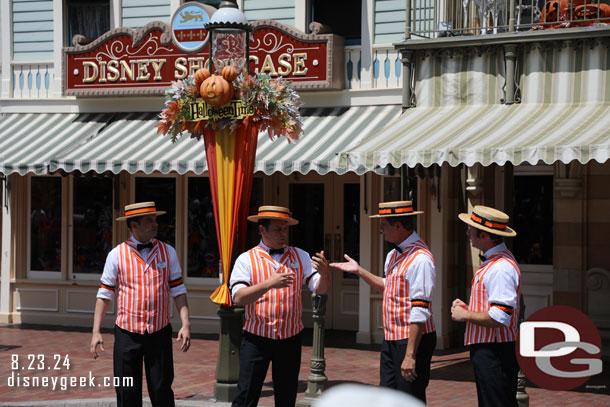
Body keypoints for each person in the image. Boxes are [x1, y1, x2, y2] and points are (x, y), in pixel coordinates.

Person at [331, 200, 436, 403]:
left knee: (409, 399)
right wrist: (359, 270)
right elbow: (389, 285)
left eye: (384, 224)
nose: (380, 229)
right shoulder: (394, 254)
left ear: (398, 225)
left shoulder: (420, 259)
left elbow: (420, 309)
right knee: (388, 397)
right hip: (392, 337)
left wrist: (410, 355)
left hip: (412, 340)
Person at [90, 201, 191, 407]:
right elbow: (104, 295)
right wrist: (96, 331)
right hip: (126, 334)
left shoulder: (168, 252)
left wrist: (186, 324)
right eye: (149, 221)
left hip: (159, 332)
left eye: (155, 220)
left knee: (161, 389)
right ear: (134, 226)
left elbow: (178, 290)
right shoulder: (116, 254)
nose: (155, 224)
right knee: (126, 392)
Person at [229, 205, 331, 407]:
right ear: (262, 230)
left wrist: (326, 274)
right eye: (277, 229)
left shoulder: (300, 256)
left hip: (289, 338)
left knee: (286, 396)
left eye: (285, 229)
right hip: (256, 338)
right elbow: (238, 297)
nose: (283, 234)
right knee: (246, 395)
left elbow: (319, 289)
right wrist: (269, 283)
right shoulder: (246, 259)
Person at [451, 205, 520, 407]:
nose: (468, 233)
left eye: (471, 229)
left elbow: (500, 317)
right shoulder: (495, 262)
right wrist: (468, 309)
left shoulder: (500, 267)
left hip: (494, 351)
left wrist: (465, 315)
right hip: (491, 350)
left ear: (484, 235)